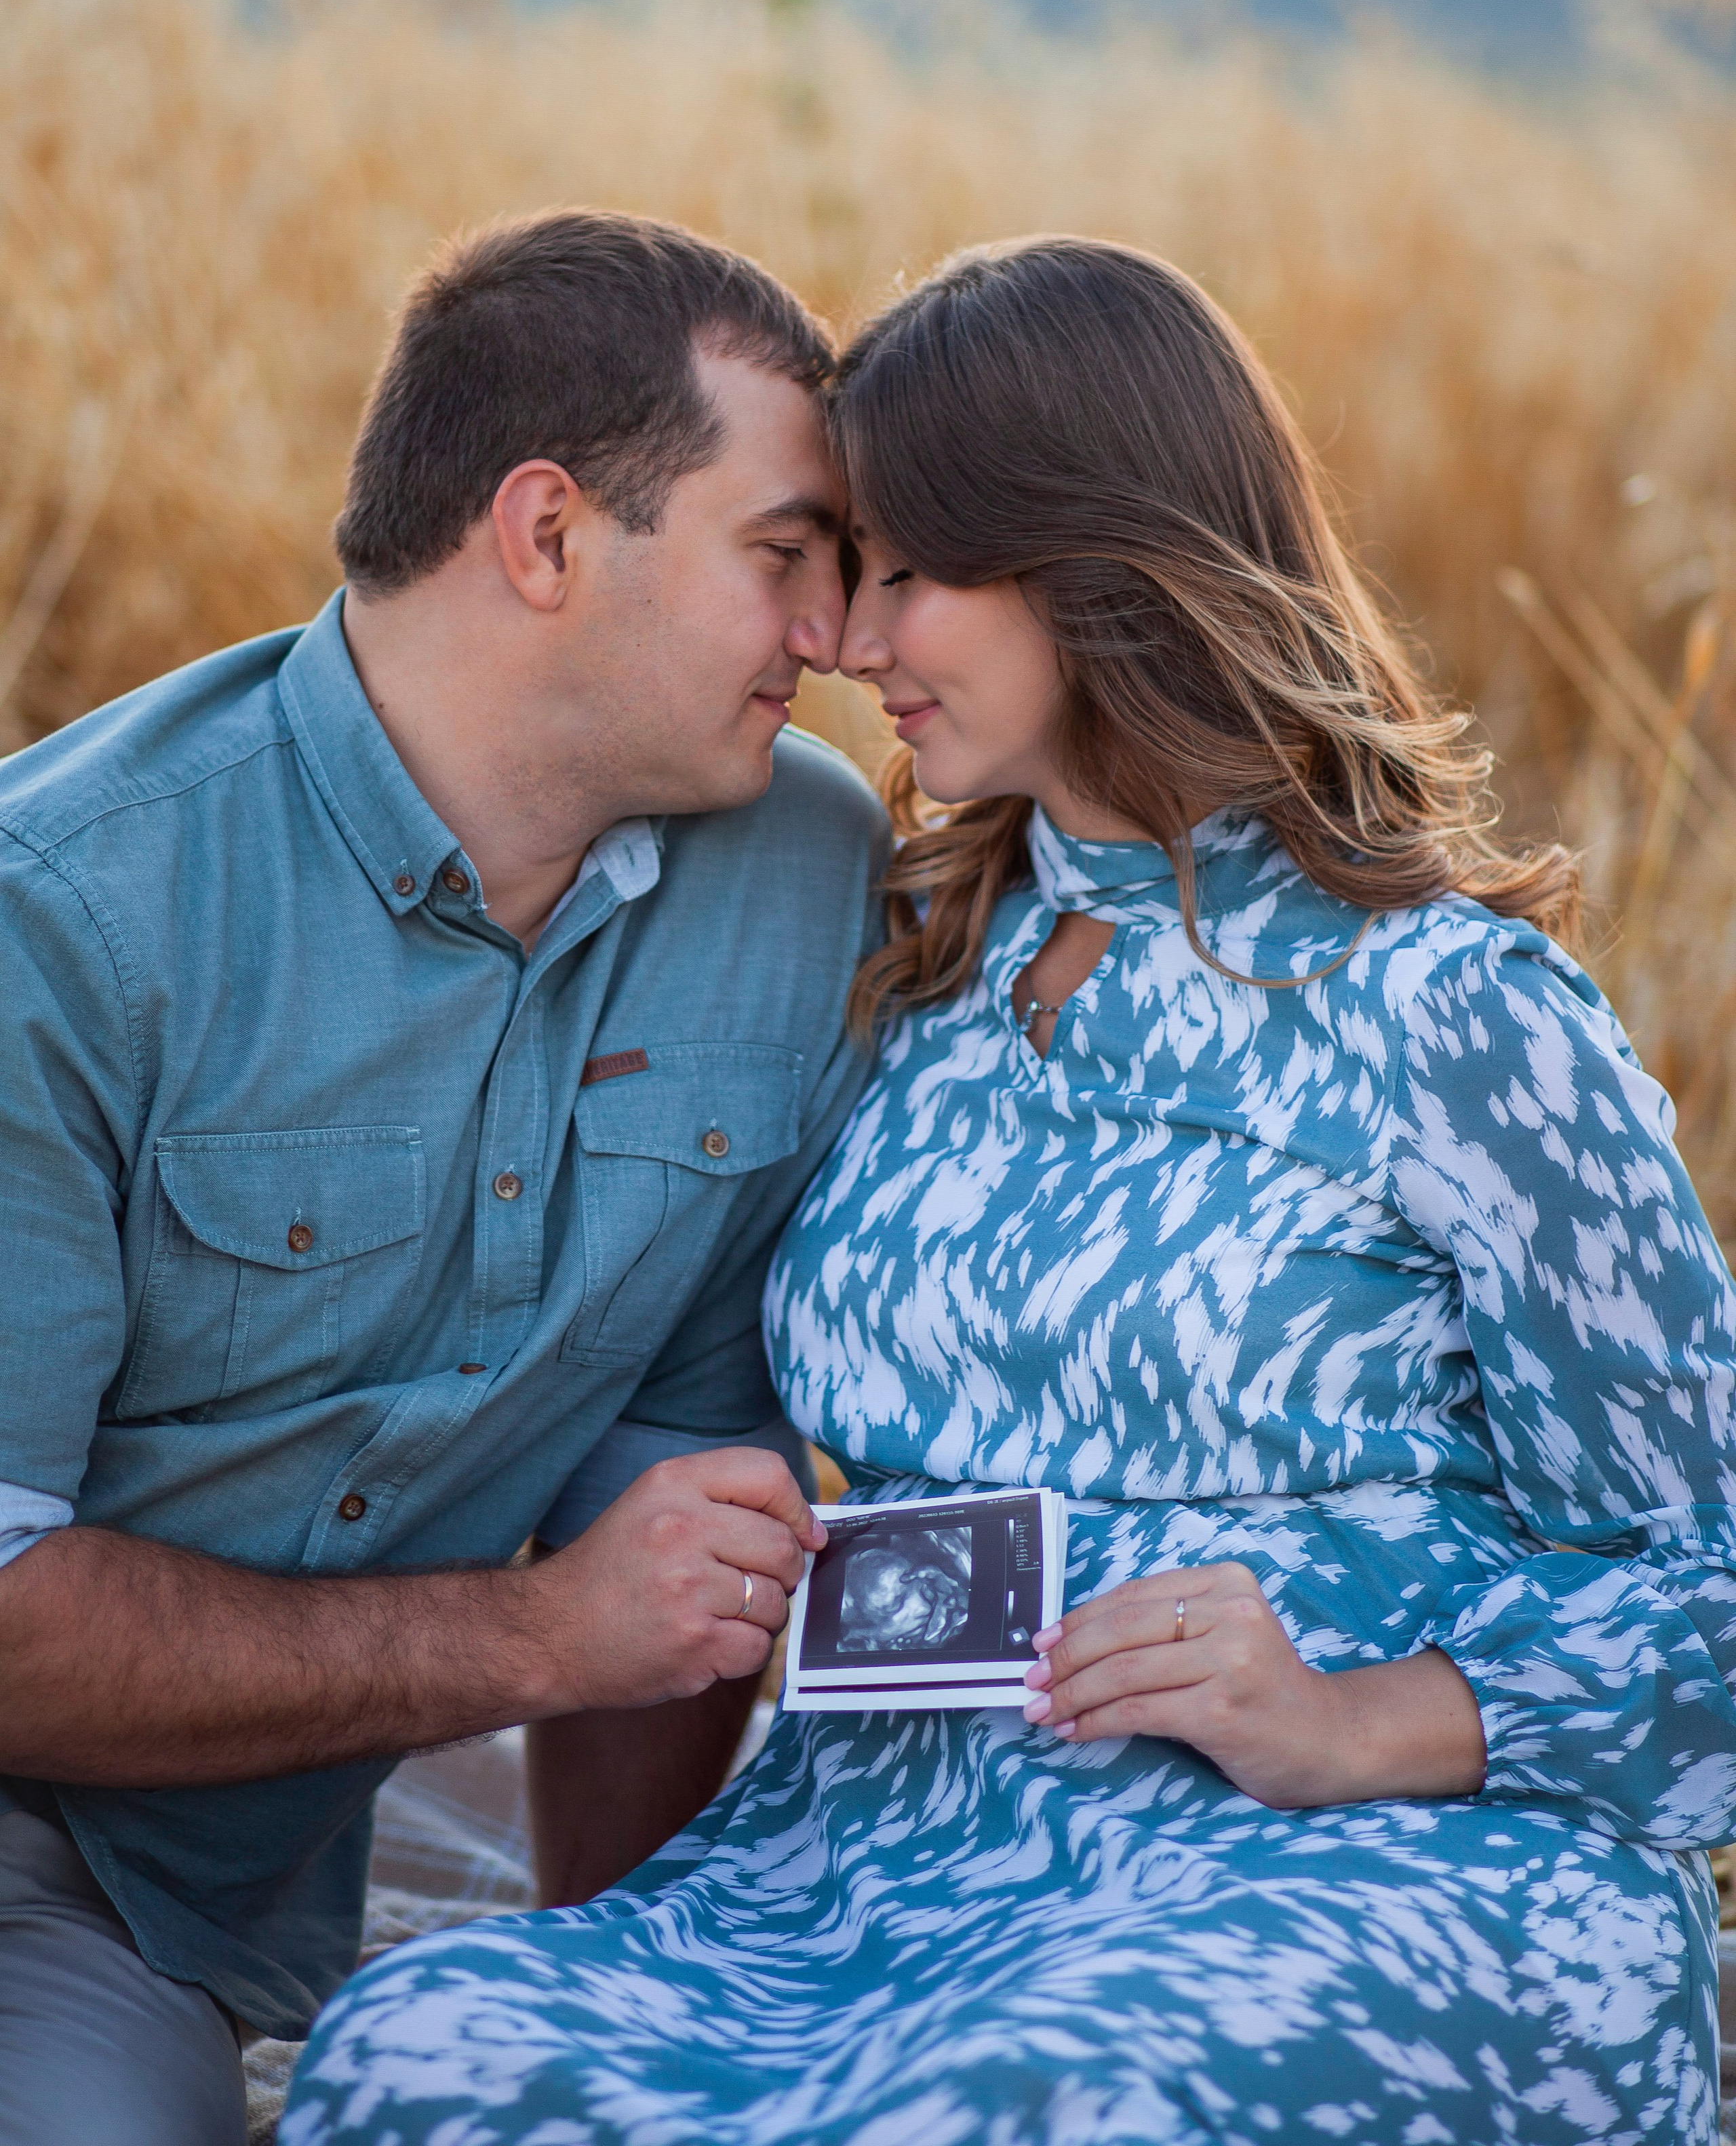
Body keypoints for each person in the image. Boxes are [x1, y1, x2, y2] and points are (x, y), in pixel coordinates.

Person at [286, 235, 1736, 2146]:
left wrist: (1353, 1722)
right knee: (421, 2054)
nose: (848, 642)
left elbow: (1709, 1576)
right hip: (876, 1867)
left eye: (905, 574)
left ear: (1097, 561)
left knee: (1029, 2104)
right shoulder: (907, 964)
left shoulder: (1447, 1011)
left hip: (1349, 1874)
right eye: (831, 571)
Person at [0, 207, 886, 2144]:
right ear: (548, 534)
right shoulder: (59, 919)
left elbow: (680, 1491)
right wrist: (534, 1636)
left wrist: (604, 1992)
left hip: (233, 1890)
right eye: (783, 558)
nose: (833, 637)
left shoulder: (804, 874)